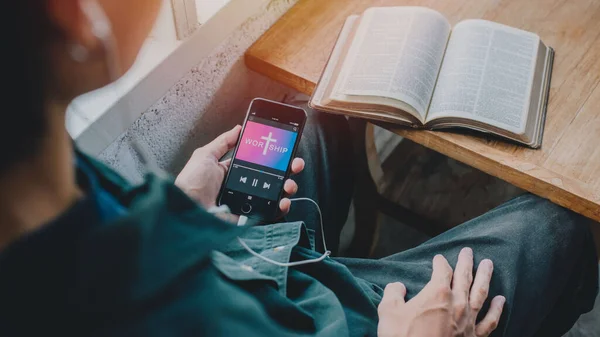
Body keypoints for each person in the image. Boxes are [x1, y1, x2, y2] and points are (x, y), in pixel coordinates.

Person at [0, 0, 597, 336]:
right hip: (347, 324)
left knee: (311, 113)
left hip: (241, 267)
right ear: (78, 16)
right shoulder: (183, 318)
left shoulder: (41, 170)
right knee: (559, 225)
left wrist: (181, 211)